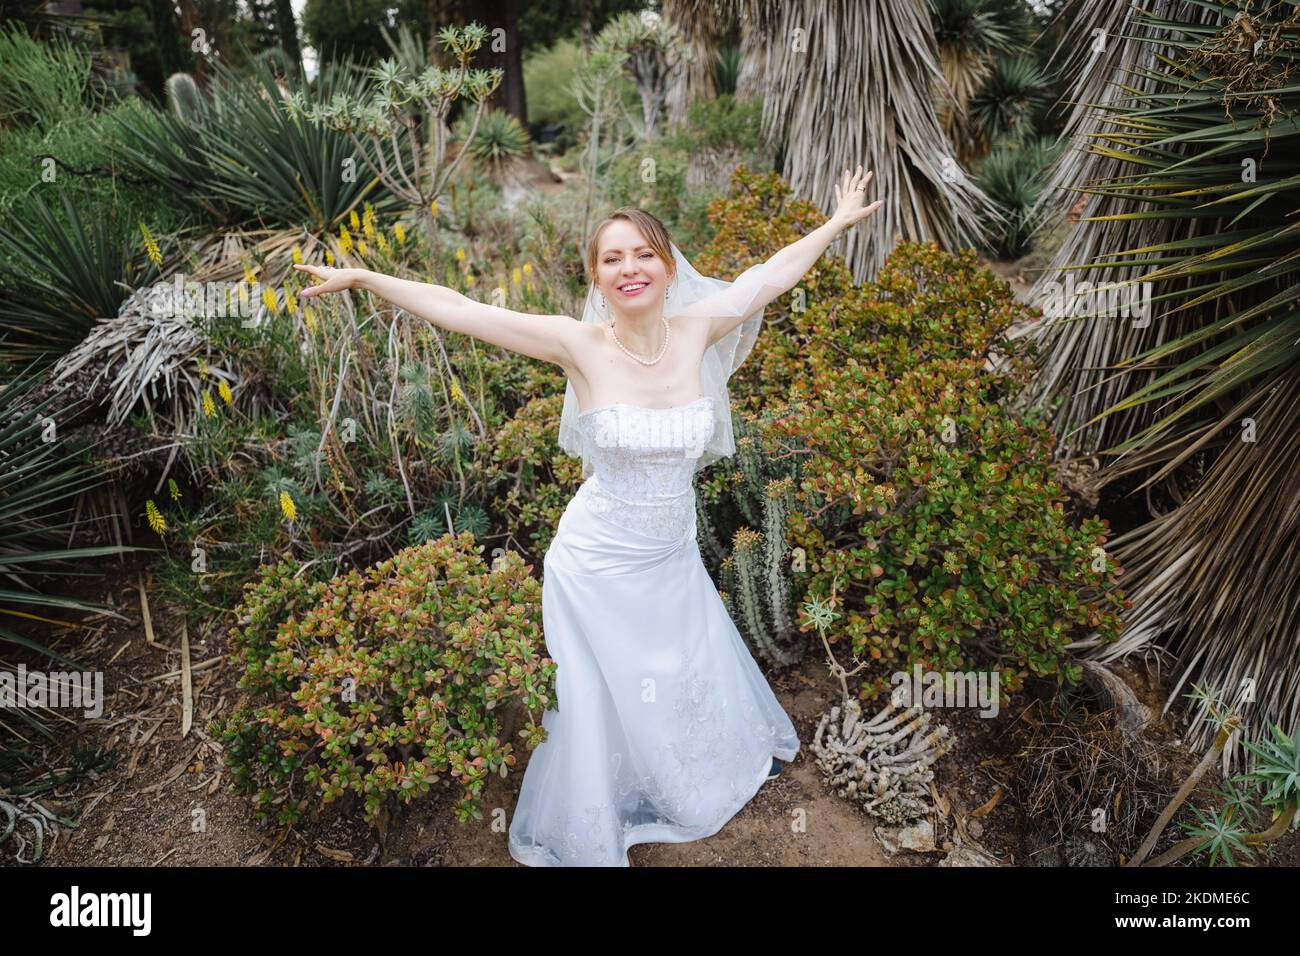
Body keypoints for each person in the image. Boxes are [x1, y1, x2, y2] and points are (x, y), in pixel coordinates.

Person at [296, 165, 883, 866]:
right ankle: (600, 813)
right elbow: (459, 307)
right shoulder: (577, 345)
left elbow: (771, 273)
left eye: (642, 253)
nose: (629, 268)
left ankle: (689, 773)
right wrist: (366, 279)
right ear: (597, 278)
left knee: (679, 667)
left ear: (667, 266)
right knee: (601, 692)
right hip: (597, 560)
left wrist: (836, 220)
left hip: (671, 550)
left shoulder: (698, 327)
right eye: (612, 258)